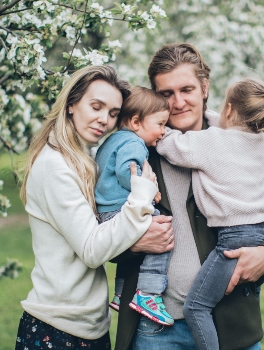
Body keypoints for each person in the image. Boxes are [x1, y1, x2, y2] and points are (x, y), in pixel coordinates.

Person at [112, 43, 264, 350]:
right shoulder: (138, 151)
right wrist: (134, 243)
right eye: (166, 93)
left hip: (230, 328)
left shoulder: (238, 140)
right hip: (155, 332)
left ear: (204, 88)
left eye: (187, 89)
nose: (178, 102)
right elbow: (101, 232)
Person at [16, 65, 168, 350]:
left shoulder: (82, 157)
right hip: (59, 328)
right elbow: (91, 250)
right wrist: (141, 196)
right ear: (72, 104)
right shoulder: (54, 166)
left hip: (88, 325)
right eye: (96, 106)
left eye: (112, 113)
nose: (104, 120)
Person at [155, 77, 264, 350]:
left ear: (228, 111)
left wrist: (157, 126)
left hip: (234, 238)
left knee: (197, 307)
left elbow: (171, 145)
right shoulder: (256, 141)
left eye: (187, 89)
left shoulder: (211, 142)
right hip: (262, 229)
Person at [94, 86, 175, 326]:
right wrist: (149, 190)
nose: (163, 132)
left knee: (135, 249)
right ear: (137, 122)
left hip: (106, 212)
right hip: (120, 210)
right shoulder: (134, 143)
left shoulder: (113, 140)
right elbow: (126, 172)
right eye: (160, 124)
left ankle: (121, 293)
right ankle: (148, 294)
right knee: (162, 232)